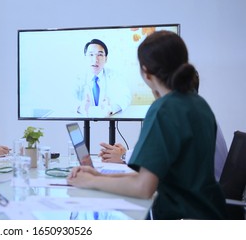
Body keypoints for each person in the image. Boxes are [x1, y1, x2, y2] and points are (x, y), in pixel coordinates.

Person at [68, 31, 227, 219]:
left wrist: (88, 183)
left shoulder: (164, 109)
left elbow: (143, 188)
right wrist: (97, 177)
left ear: (146, 72)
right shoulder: (199, 104)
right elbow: (151, 177)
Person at [98, 71, 229, 182]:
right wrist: (125, 155)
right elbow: (161, 157)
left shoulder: (180, 116)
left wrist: (121, 158)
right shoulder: (199, 110)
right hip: (208, 194)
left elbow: (147, 180)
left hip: (196, 203)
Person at [76, 39, 131, 116]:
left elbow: (125, 97)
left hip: (109, 119)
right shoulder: (77, 77)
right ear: (85, 57)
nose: (95, 60)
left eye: (100, 55)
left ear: (106, 59)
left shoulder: (115, 76)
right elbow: (67, 98)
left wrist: (111, 109)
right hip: (82, 120)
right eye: (91, 54)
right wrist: (80, 107)